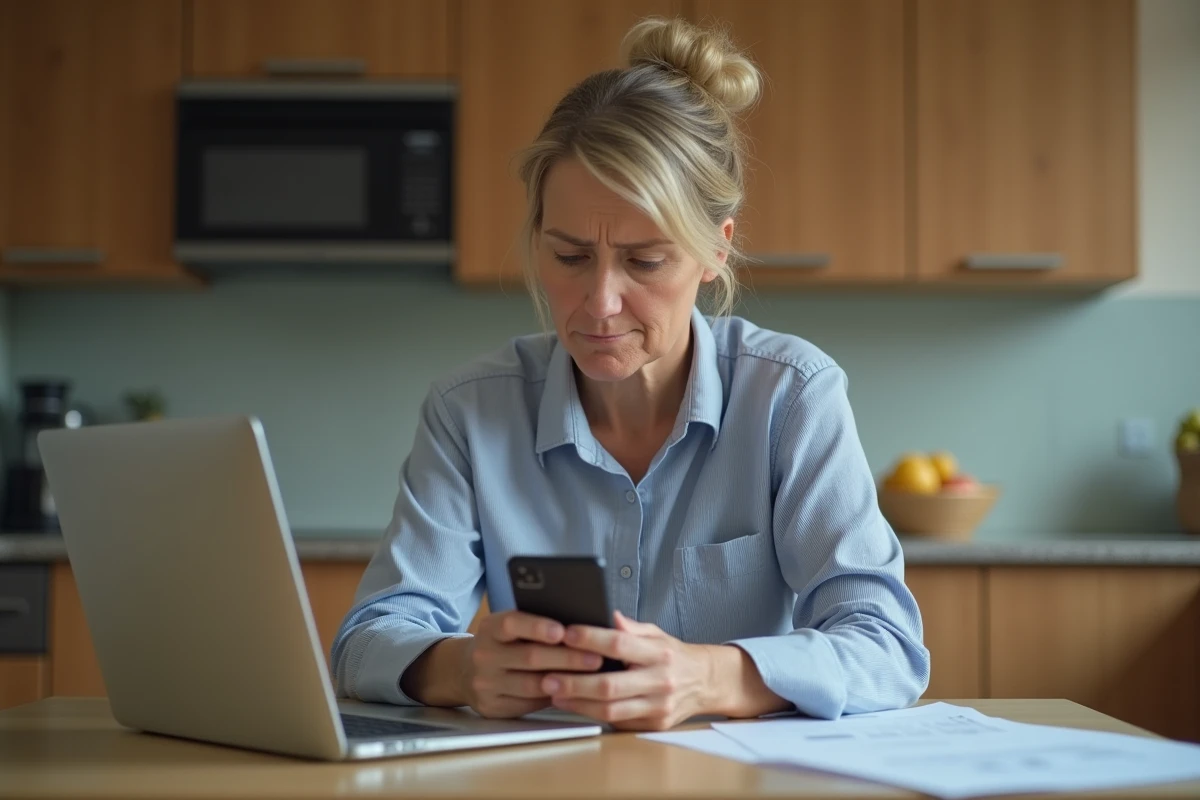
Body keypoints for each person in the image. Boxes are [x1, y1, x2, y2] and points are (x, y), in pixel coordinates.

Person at [331, 16, 929, 732]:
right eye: (570, 256)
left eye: (645, 261)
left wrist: (708, 676)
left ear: (715, 251)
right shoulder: (469, 411)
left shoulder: (791, 396)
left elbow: (887, 646)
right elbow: (368, 639)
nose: (600, 302)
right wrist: (460, 667)